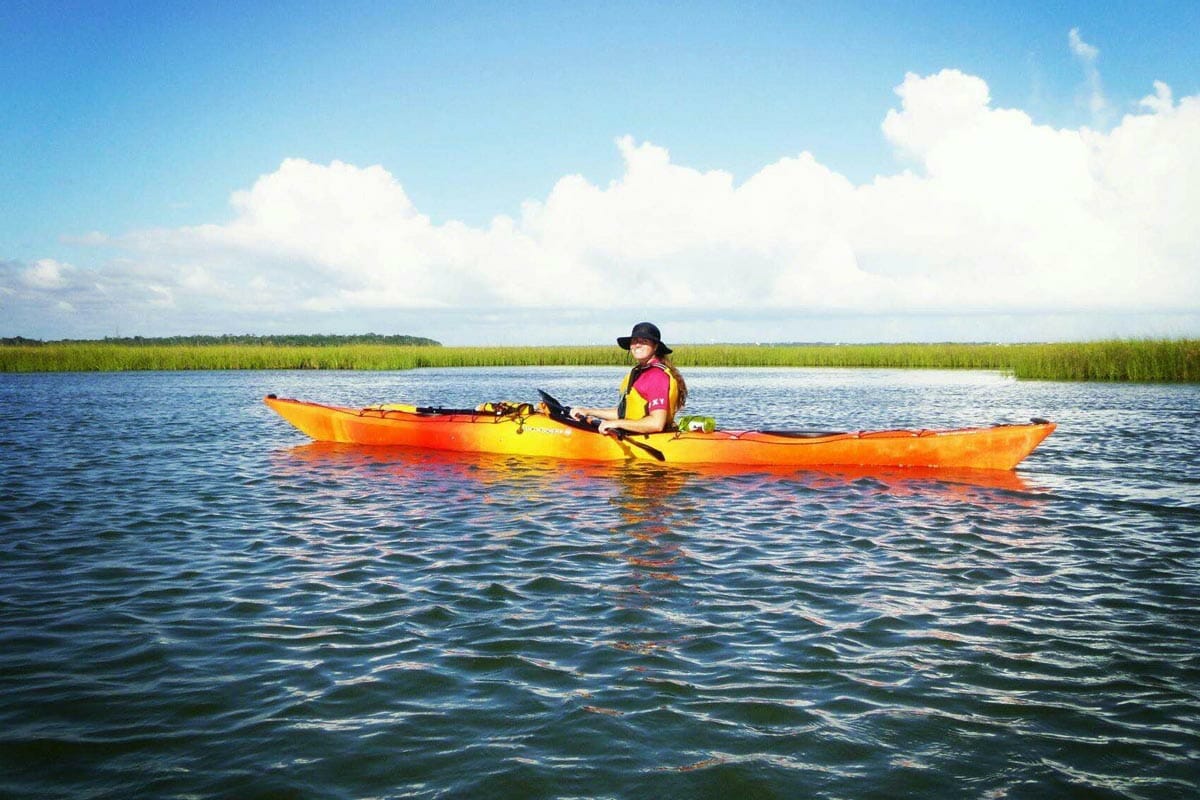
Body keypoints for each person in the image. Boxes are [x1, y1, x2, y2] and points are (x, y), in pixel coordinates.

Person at [571, 322, 688, 434]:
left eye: (644, 341)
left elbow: (656, 423)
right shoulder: (638, 372)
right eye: (634, 341)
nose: (637, 345)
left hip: (653, 439)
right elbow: (625, 413)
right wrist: (588, 411)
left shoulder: (657, 376)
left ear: (655, 347)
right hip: (635, 434)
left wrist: (617, 423)